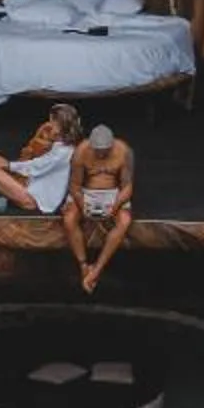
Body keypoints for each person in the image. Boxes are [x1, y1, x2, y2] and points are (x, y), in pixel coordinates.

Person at [63, 120, 135, 294]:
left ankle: (97, 269)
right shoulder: (81, 151)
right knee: (69, 218)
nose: (101, 154)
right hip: (86, 193)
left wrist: (115, 205)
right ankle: (83, 265)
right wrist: (82, 204)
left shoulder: (123, 151)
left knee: (124, 221)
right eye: (98, 151)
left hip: (113, 193)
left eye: (105, 151)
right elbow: (74, 185)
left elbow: (127, 187)